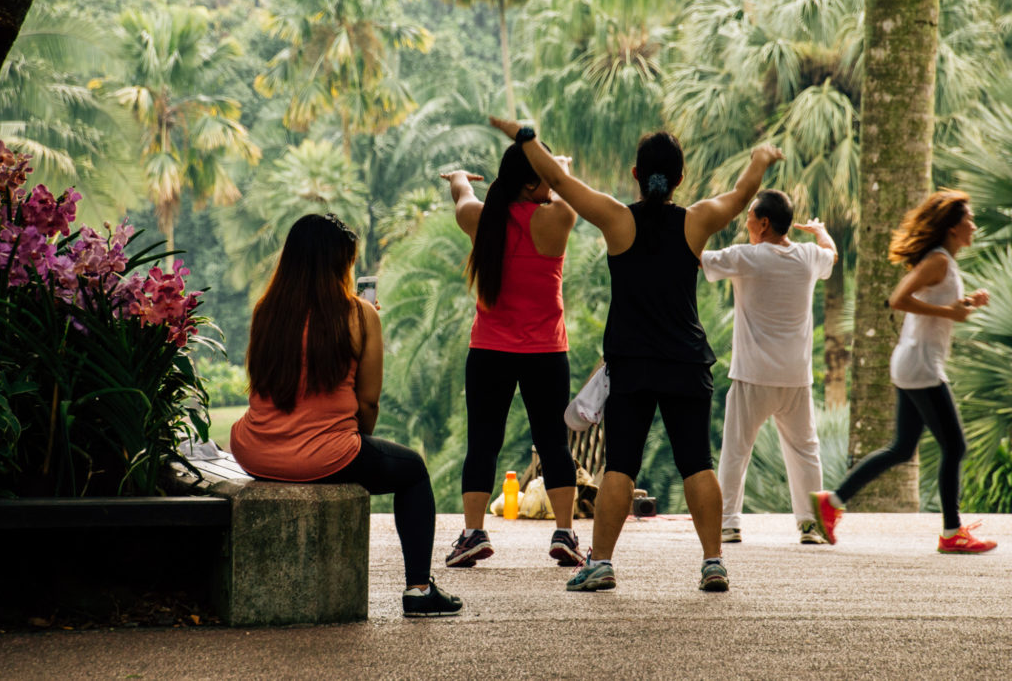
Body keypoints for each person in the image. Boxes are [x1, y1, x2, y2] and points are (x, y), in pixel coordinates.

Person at [491, 115, 783, 592]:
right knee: (697, 464)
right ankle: (713, 563)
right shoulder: (696, 219)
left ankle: (601, 562)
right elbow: (739, 197)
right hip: (686, 360)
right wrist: (760, 160)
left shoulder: (616, 218)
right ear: (680, 178)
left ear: (635, 174)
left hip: (632, 363)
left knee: (621, 465)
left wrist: (525, 139)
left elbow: (561, 180)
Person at [229, 213, 463, 617]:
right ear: (340, 264)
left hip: (255, 451)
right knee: (414, 471)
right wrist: (357, 443)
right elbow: (368, 402)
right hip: (324, 456)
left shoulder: (265, 311)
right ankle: (419, 589)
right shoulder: (360, 315)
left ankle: (420, 588)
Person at [811, 190, 996, 553]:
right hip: (921, 365)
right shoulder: (938, 260)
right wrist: (951, 313)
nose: (973, 224)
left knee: (901, 448)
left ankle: (831, 503)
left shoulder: (944, 261)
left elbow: (933, 302)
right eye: (968, 219)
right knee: (955, 446)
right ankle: (951, 532)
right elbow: (897, 299)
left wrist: (965, 303)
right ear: (953, 227)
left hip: (914, 362)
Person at [439, 141, 583, 569]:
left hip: (489, 350)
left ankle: (472, 534)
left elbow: (463, 194)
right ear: (531, 181)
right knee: (555, 444)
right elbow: (563, 186)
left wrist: (460, 177)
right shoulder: (559, 218)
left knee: (482, 443)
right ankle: (566, 534)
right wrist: (560, 165)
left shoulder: (480, 220)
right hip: (545, 352)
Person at [701, 189, 837, 545]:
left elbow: (698, 259)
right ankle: (810, 524)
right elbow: (831, 254)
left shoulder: (747, 257)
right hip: (795, 378)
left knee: (735, 450)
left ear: (763, 223)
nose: (745, 222)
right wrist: (820, 231)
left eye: (748, 216)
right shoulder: (808, 257)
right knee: (805, 450)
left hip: (753, 377)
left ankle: (728, 523)